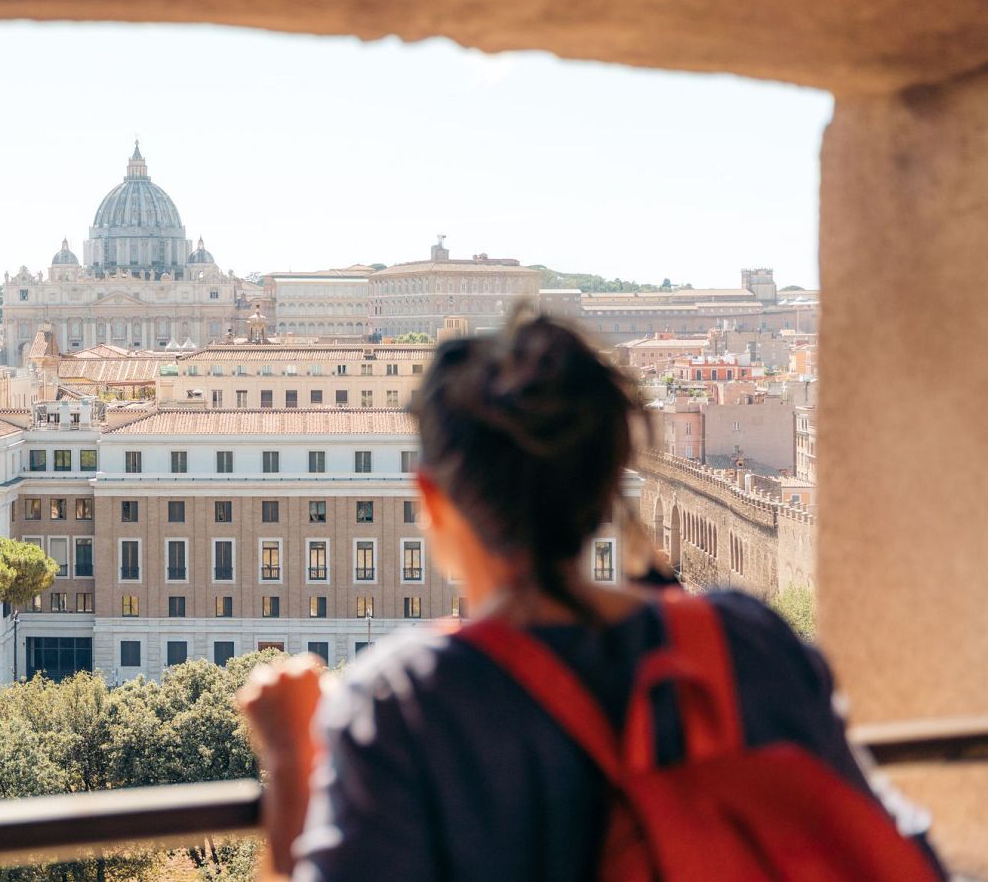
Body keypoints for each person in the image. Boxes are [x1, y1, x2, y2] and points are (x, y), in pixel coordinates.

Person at [237, 313, 941, 881]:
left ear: (433, 500)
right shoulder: (746, 643)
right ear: (609, 483)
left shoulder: (404, 706)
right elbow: (896, 850)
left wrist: (293, 764)